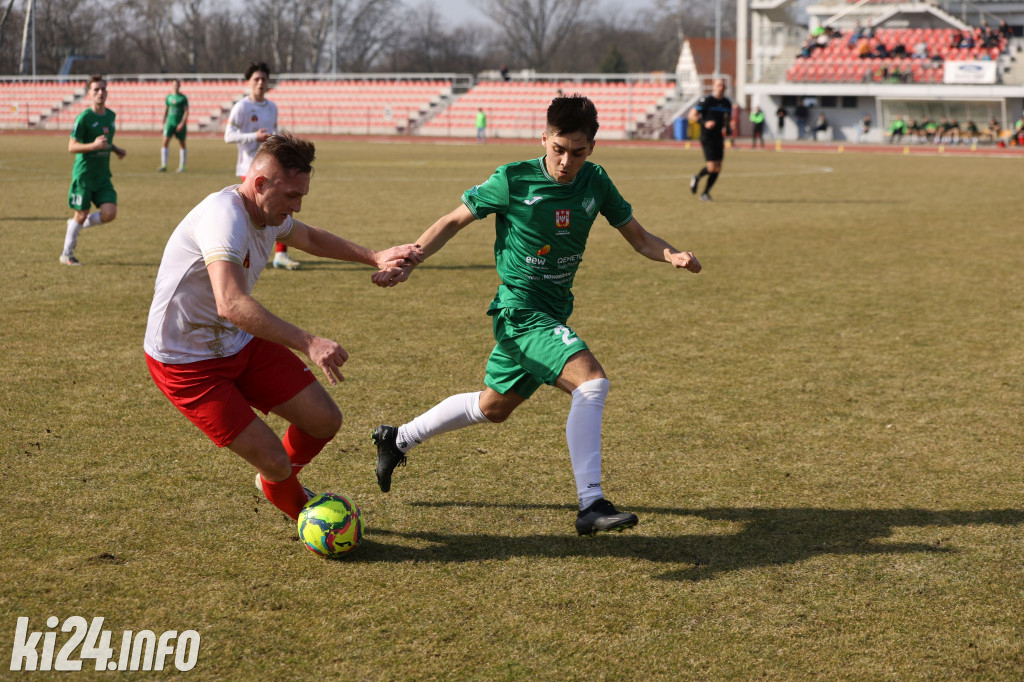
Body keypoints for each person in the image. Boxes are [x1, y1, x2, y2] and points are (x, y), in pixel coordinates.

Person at [370, 95, 702, 536]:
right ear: (543, 138)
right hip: (519, 312)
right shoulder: (512, 179)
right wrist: (408, 261)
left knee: (492, 406)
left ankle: (397, 438)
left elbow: (639, 237)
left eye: (578, 152)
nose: (566, 162)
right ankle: (591, 503)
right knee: (592, 381)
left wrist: (671, 254)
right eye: (558, 149)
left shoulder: (596, 182)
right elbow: (452, 220)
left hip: (552, 312)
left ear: (592, 149)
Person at [144, 132, 423, 522]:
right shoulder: (224, 218)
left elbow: (308, 236)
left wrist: (375, 256)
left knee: (324, 420)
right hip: (187, 363)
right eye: (292, 195)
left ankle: (276, 481)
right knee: (274, 460)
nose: (297, 206)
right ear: (260, 184)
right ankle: (303, 511)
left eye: (301, 195)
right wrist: (308, 342)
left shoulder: (267, 212)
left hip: (237, 344)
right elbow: (230, 303)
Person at [225, 61, 298, 271]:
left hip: (271, 167)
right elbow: (228, 136)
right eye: (256, 79)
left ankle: (281, 254)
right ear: (249, 82)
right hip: (248, 168)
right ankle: (244, 253)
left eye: (264, 79)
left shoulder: (272, 107)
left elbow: (272, 133)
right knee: (254, 213)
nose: (260, 83)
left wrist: (277, 139)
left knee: (283, 205)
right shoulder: (241, 107)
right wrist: (253, 137)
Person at [60, 75, 127, 266]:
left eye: (103, 89)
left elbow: (106, 141)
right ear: (89, 93)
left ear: (107, 92)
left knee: (109, 213)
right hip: (84, 175)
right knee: (81, 213)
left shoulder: (111, 116)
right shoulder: (83, 118)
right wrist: (92, 146)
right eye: (96, 89)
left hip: (103, 176)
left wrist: (116, 149)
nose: (100, 93)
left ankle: (75, 225)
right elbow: (71, 147)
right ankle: (67, 254)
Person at [688, 78, 732, 201]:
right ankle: (697, 177)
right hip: (707, 137)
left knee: (718, 167)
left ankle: (705, 193)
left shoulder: (727, 103)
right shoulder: (707, 100)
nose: (721, 88)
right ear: (714, 86)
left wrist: (728, 128)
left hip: (719, 136)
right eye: (718, 85)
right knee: (712, 167)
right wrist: (704, 122)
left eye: (723, 86)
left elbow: (727, 118)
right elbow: (692, 115)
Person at [159, 78, 188, 173]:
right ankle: (164, 165)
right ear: (172, 85)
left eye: (177, 84)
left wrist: (182, 123)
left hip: (179, 124)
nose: (176, 86)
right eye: (174, 84)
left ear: (179, 86)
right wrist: (163, 122)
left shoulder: (183, 98)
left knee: (182, 144)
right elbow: (166, 110)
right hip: (170, 123)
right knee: (165, 142)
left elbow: (186, 112)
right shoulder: (169, 97)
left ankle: (182, 166)